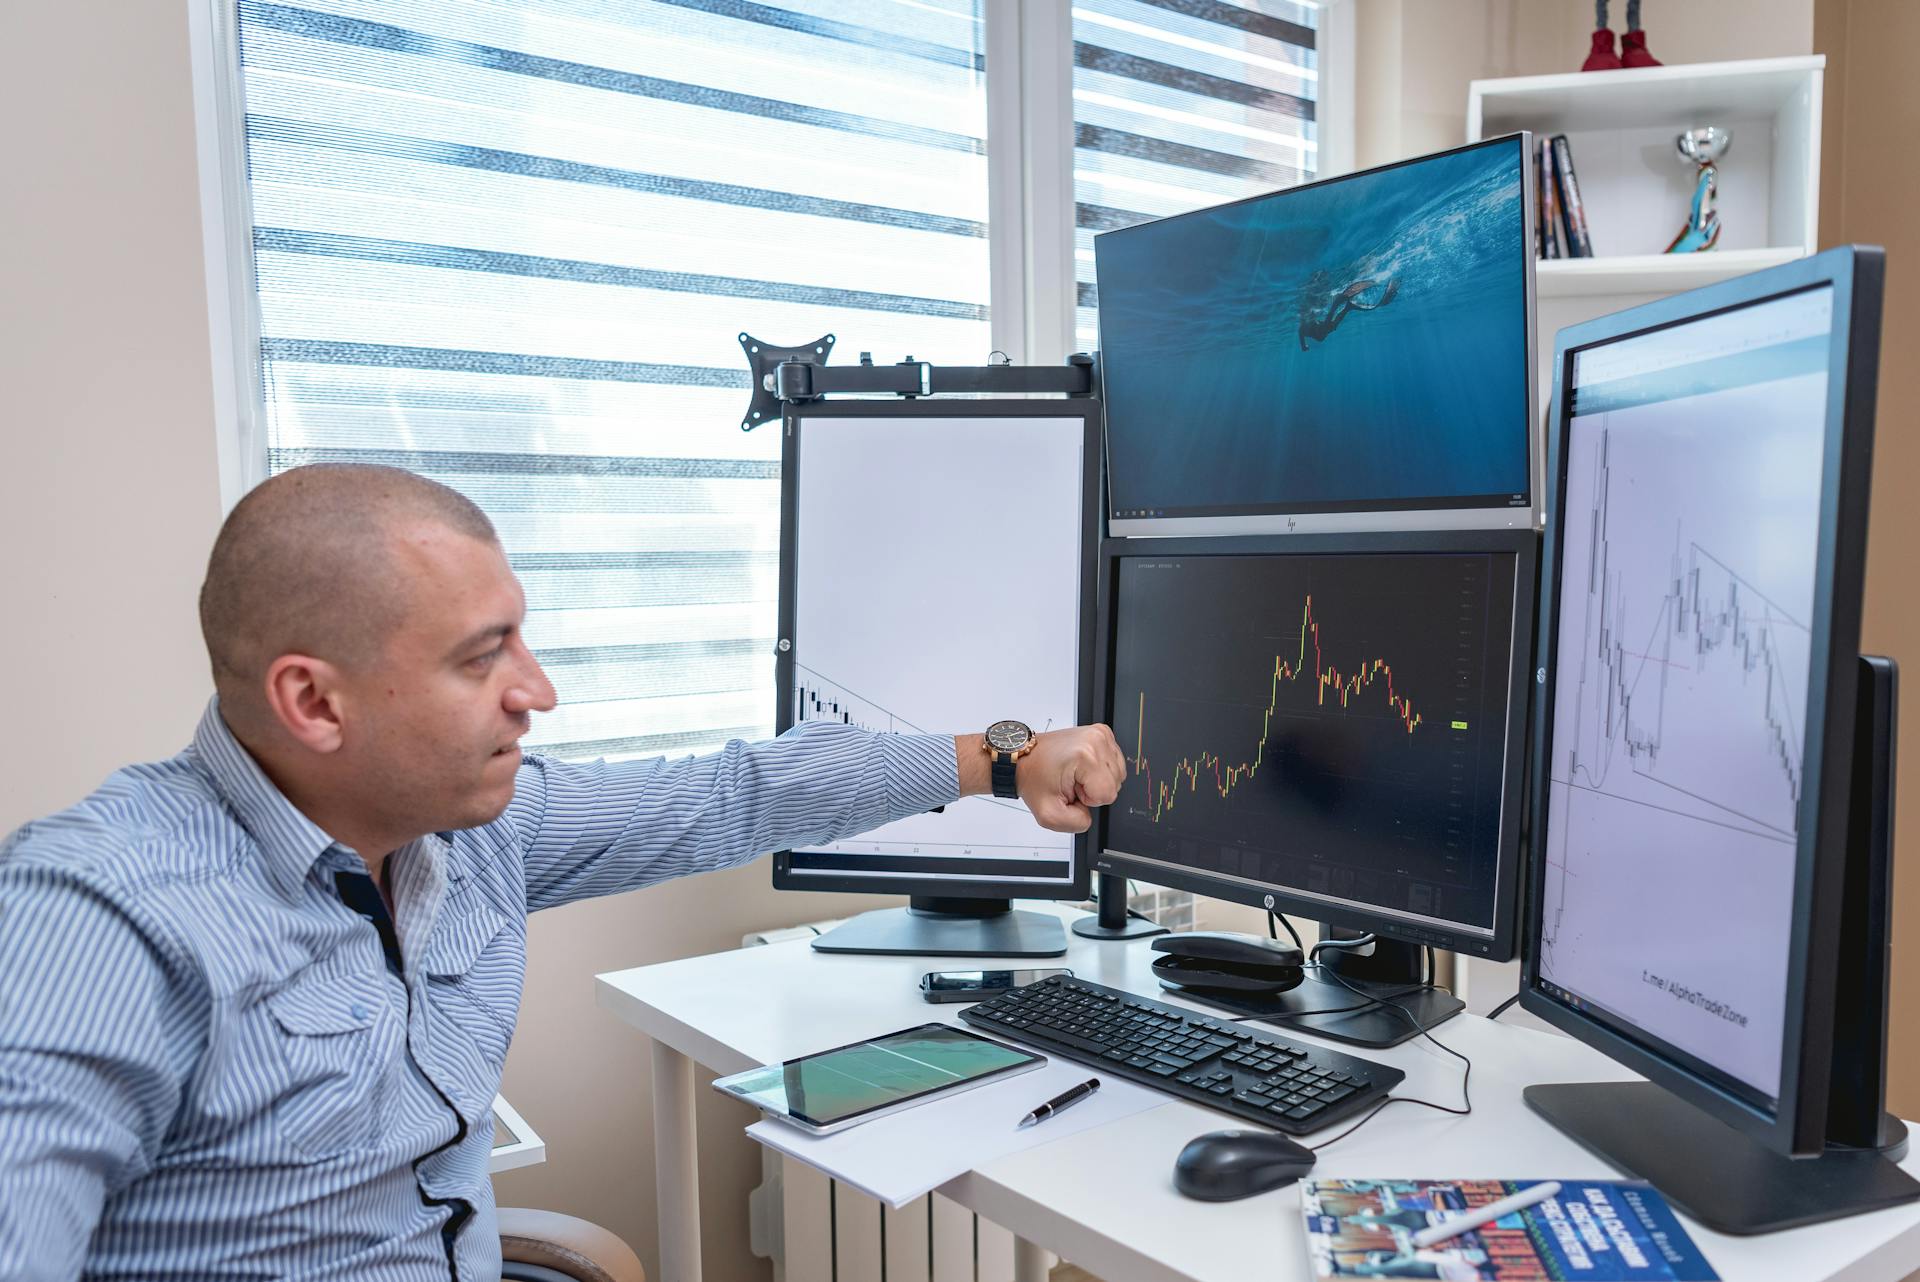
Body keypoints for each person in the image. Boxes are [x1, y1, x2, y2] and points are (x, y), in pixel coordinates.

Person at [0, 464, 1127, 1282]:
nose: (536, 691)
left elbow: (735, 792)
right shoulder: (99, 918)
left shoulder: (462, 831)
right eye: (481, 657)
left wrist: (1006, 756)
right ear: (312, 701)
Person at [1297, 268, 1401, 350]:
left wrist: (1304, 346)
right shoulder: (1310, 330)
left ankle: (1347, 306)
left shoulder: (1306, 328)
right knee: (1327, 327)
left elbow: (1303, 338)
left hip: (1318, 327)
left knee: (1326, 327)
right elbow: (1304, 338)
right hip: (1319, 328)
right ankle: (1347, 306)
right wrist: (1304, 346)